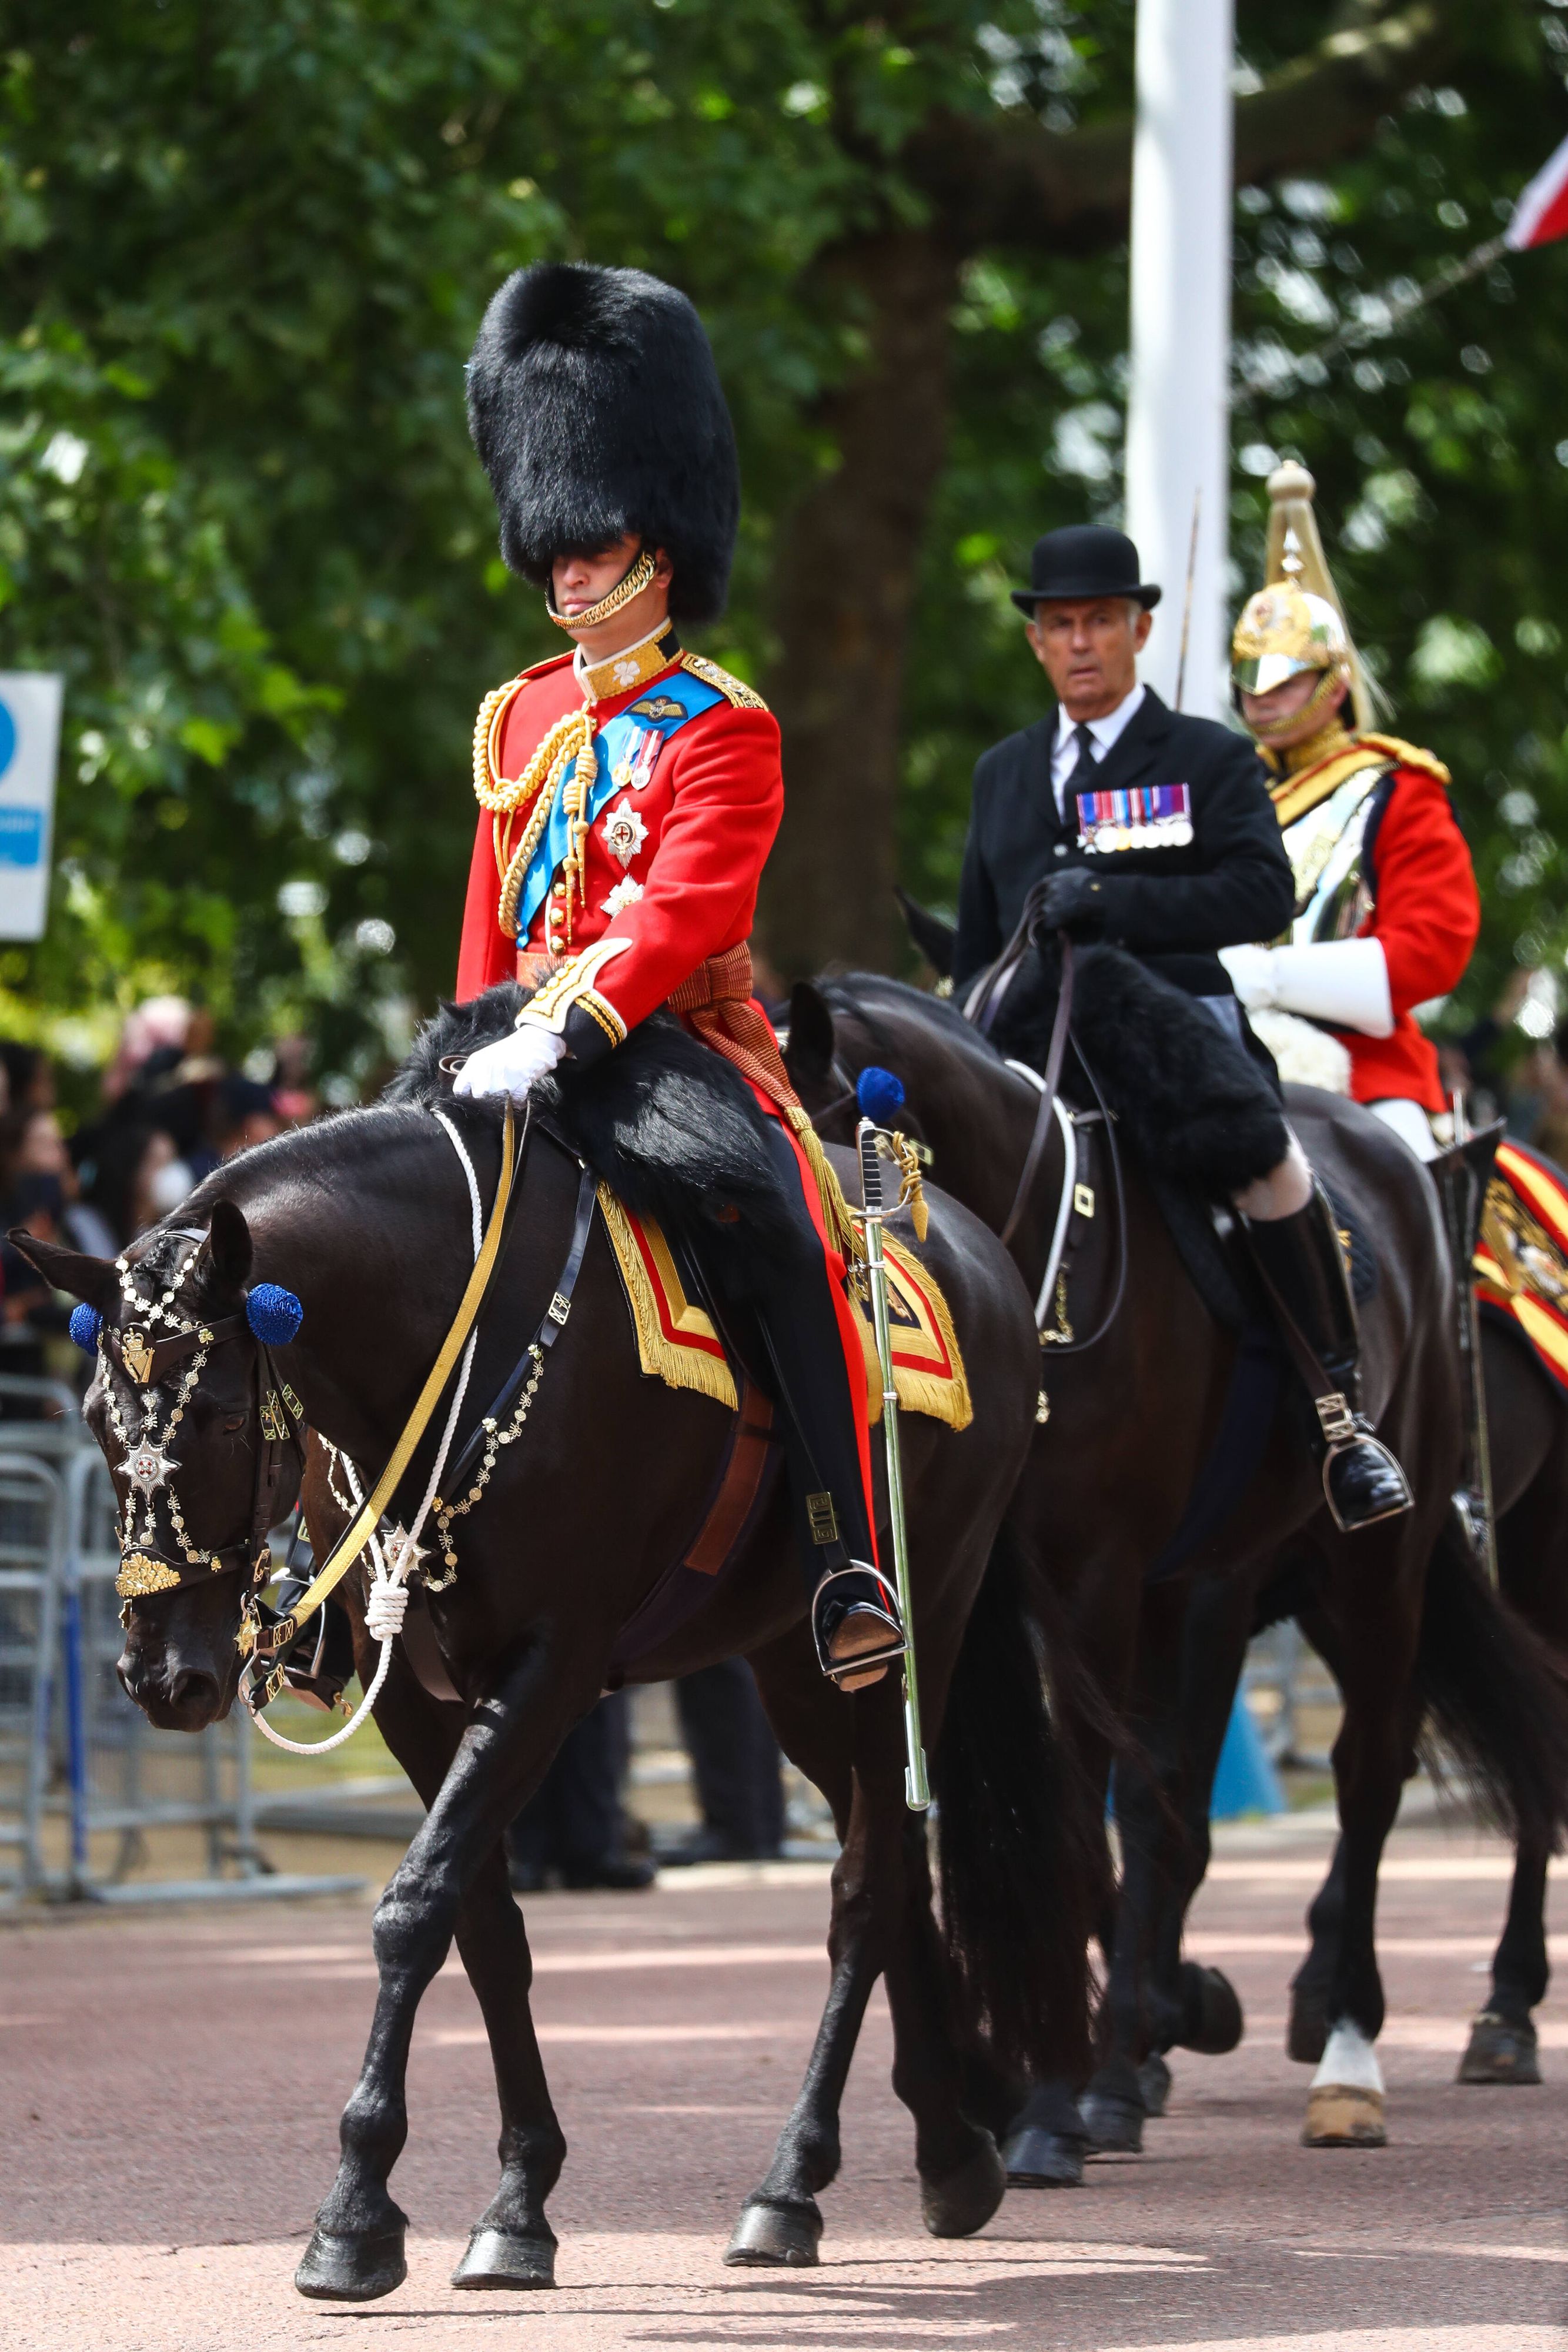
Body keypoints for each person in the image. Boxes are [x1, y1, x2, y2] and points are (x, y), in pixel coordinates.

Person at [450, 261, 901, 1688]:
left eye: (594, 543)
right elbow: (484, 916)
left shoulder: (724, 723)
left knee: (776, 1224)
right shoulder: (513, 713)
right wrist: (462, 1044)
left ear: (659, 543)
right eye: (555, 546)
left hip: (668, 1044)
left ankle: (845, 1551)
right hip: (508, 1036)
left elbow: (682, 907)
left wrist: (566, 1029)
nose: (568, 569)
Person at [954, 522, 1410, 1532]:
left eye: (1101, 623)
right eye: (1060, 625)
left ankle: (1340, 1418)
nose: (1080, 643)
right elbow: (977, 945)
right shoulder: (1000, 774)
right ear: (1036, 640)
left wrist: (1113, 901)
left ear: (1139, 629)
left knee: (1267, 1171)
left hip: (1173, 1037)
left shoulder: (1205, 756)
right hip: (1037, 1049)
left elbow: (1262, 894)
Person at [1221, 462, 1481, 1167]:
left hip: (1364, 1070)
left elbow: (1432, 946)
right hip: (1215, 1046)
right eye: (1250, 680)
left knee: (1405, 1174)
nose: (1262, 699)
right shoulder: (1218, 786)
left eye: (1285, 680)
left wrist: (1271, 979)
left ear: (1333, 684)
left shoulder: (1398, 788)